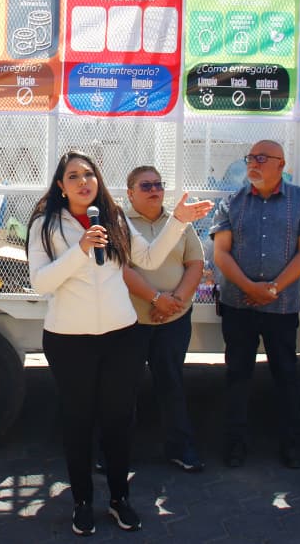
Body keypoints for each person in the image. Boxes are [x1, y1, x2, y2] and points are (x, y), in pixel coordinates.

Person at [27, 151, 212, 536]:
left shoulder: (115, 219)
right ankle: (81, 502)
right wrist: (80, 251)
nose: (83, 182)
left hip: (120, 337)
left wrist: (177, 222)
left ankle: (118, 499)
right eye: (73, 176)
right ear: (61, 185)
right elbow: (41, 282)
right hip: (68, 339)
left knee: (118, 422)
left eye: (89, 175)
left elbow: (147, 256)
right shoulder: (45, 225)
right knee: (78, 422)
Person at [210, 140, 300, 470]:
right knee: (237, 377)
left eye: (262, 158)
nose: (253, 163)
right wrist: (250, 288)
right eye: (250, 158)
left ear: (281, 164)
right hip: (238, 306)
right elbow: (221, 254)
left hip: (281, 307)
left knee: (286, 377)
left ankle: (291, 445)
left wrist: (272, 288)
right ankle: (235, 445)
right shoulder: (232, 202)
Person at [121, 165, 206, 473]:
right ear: (130, 193)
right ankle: (115, 452)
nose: (154, 190)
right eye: (145, 186)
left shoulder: (179, 222)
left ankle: (181, 449)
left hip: (173, 320)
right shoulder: (120, 224)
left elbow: (195, 264)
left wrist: (174, 302)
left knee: (171, 383)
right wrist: (156, 299)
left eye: (158, 184)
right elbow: (121, 268)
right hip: (131, 323)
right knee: (122, 389)